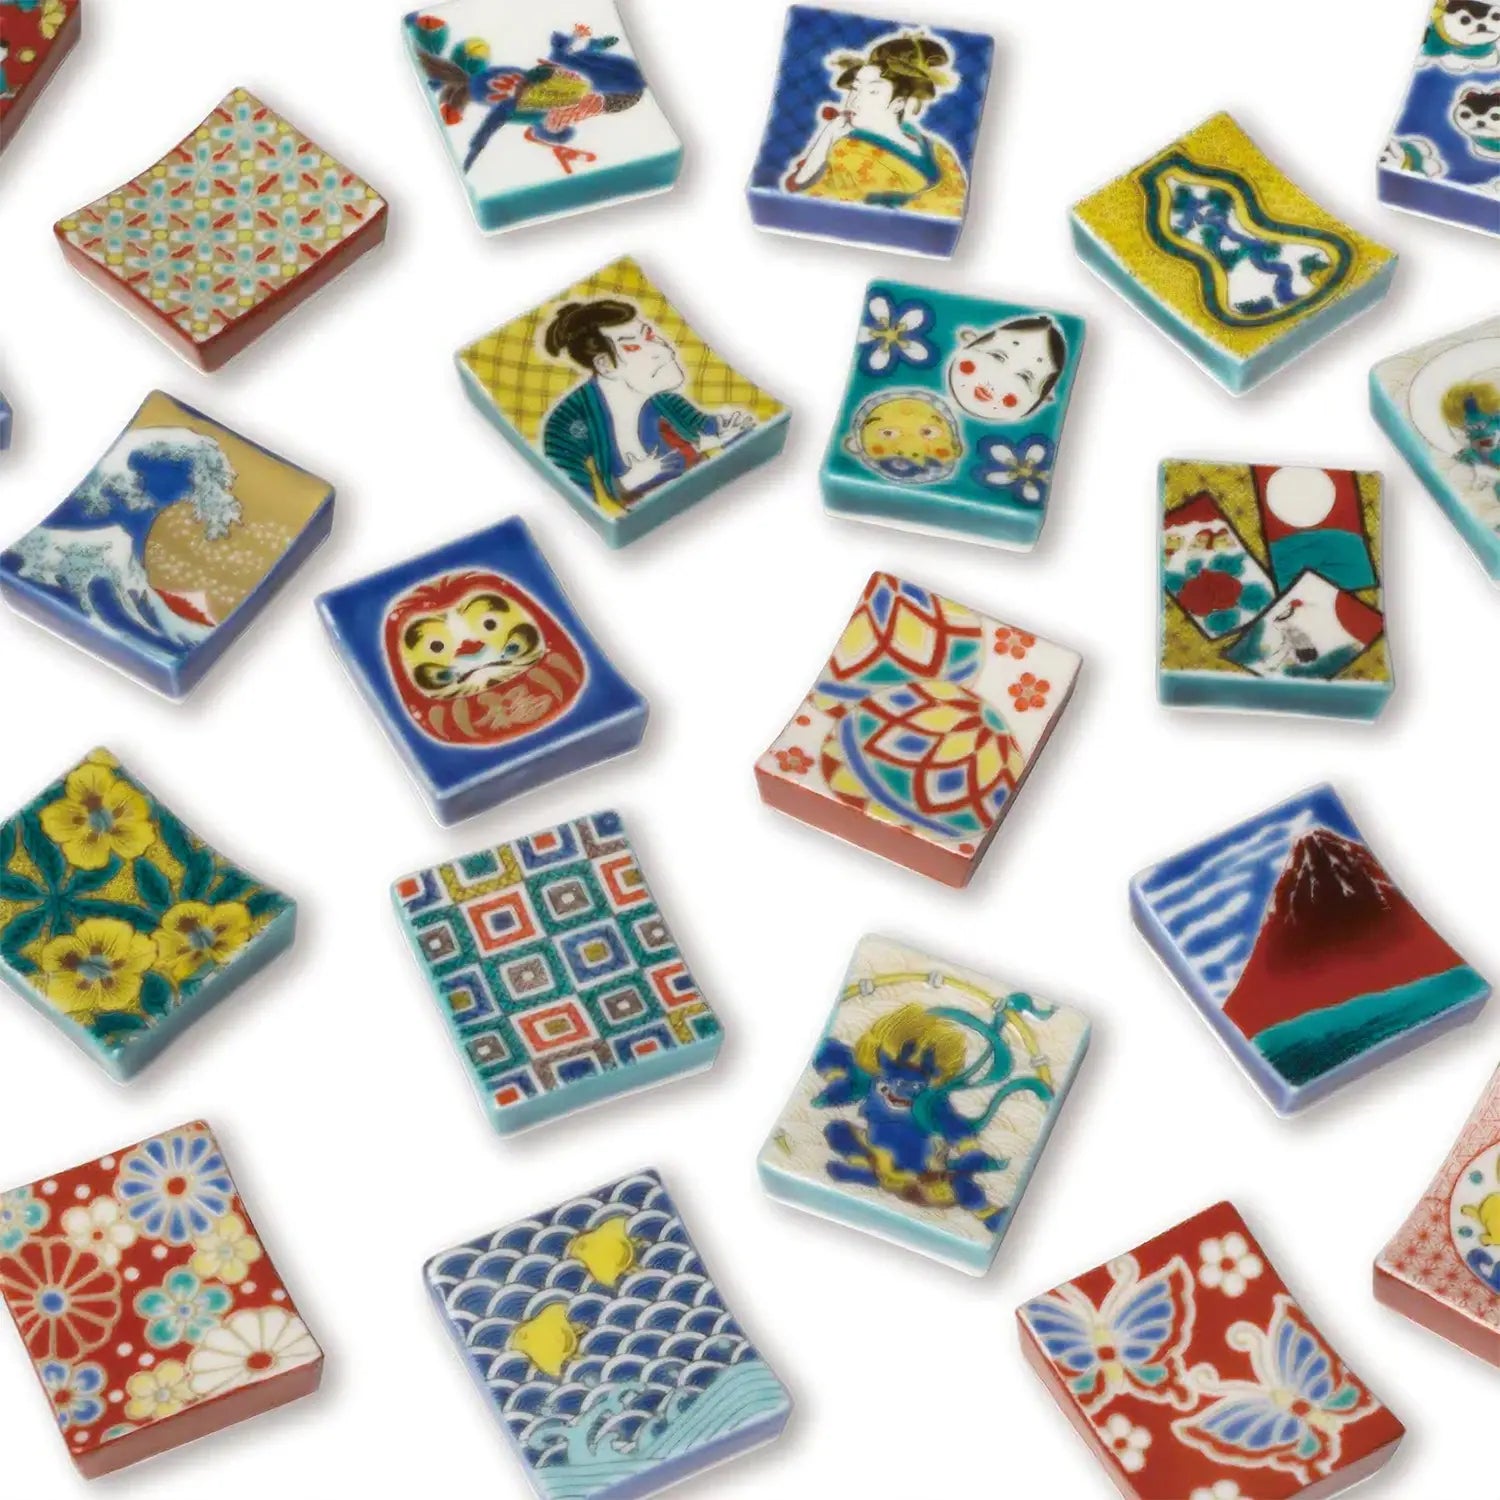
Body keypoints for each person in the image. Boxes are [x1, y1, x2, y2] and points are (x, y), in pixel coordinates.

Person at [540, 299, 754, 513]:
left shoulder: (666, 401)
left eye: (650, 337)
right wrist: (626, 483)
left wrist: (728, 435)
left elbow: (709, 429)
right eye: (633, 347)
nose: (664, 350)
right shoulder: (566, 420)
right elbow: (575, 497)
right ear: (605, 364)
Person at [785, 33, 966, 217]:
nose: (855, 100)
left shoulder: (939, 151)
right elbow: (817, 205)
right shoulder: (848, 150)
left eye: (873, 91)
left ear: (898, 103)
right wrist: (828, 135)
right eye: (855, 89)